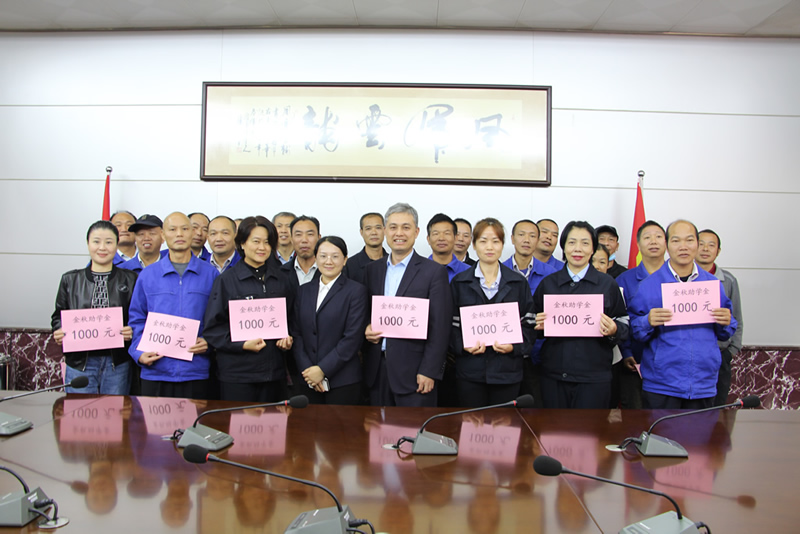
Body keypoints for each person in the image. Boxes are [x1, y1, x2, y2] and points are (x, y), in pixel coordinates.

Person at [629, 220, 737, 410]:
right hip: (662, 384)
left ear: (697, 243)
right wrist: (647, 322)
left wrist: (726, 322)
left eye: (689, 240)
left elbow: (726, 332)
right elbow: (633, 331)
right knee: (660, 431)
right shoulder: (649, 286)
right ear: (667, 245)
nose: (683, 247)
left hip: (703, 383)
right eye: (676, 241)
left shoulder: (712, 285)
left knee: (701, 431)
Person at [363, 203, 453, 407]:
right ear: (385, 231)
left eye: (406, 227)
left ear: (417, 232)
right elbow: (365, 312)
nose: (399, 233)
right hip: (377, 371)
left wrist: (429, 370)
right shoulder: (372, 270)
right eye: (393, 227)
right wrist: (366, 328)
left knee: (414, 427)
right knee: (377, 427)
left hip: (415, 374)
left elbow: (440, 327)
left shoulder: (434, 272)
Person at [533, 221, 629, 409]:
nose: (578, 249)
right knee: (554, 426)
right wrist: (537, 325)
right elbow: (530, 322)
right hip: (554, 375)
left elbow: (624, 321)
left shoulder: (607, 284)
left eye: (585, 243)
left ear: (593, 248)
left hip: (594, 377)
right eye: (572, 242)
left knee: (591, 427)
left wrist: (614, 329)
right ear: (563, 247)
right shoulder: (549, 283)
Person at [203, 216, 295, 402]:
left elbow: (292, 320)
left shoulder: (282, 280)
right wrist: (242, 345)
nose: (262, 247)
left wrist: (288, 338)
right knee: (240, 420)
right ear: (242, 243)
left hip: (274, 374)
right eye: (256, 241)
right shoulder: (226, 281)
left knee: (274, 420)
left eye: (267, 242)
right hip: (238, 375)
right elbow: (213, 329)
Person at [128, 212, 219, 399]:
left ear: (192, 233)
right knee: (155, 420)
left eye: (185, 229)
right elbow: (137, 319)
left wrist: (210, 342)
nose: (179, 234)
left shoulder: (210, 274)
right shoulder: (148, 275)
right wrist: (138, 352)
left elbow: (220, 319)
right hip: (155, 370)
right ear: (163, 235)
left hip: (196, 370)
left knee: (196, 420)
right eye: (172, 229)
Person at [450, 218, 536, 407]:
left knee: (504, 423)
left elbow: (529, 325)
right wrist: (463, 345)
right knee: (471, 421)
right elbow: (450, 326)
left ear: (503, 245)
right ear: (474, 245)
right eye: (483, 241)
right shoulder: (460, 282)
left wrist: (514, 347)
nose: (489, 247)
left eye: (495, 241)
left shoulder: (518, 282)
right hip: (470, 372)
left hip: (507, 372)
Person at [52, 220, 139, 394]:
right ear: (88, 244)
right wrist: (59, 330)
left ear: (116, 245)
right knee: (79, 409)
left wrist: (131, 330)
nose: (102, 247)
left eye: (109, 242)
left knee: (115, 409)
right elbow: (57, 316)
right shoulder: (70, 280)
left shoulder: (131, 279)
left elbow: (139, 317)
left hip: (117, 362)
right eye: (96, 241)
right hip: (80, 362)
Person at [293, 236, 368, 405]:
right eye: (323, 256)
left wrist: (322, 370)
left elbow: (352, 338)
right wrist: (309, 372)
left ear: (345, 260)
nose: (328, 261)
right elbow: (296, 334)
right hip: (307, 380)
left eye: (335, 256)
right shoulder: (303, 291)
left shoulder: (356, 291)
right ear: (315, 258)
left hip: (343, 381)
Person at [501, 219, 556, 407]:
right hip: (506, 353)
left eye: (532, 236)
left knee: (537, 410)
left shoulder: (551, 274)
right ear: (512, 239)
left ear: (538, 240)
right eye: (521, 235)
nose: (527, 240)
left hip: (539, 354)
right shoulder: (498, 271)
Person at [615, 220, 667, 409]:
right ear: (638, 244)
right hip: (635, 361)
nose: (653, 241)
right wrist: (626, 353)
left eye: (658, 237)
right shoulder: (624, 280)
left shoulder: (679, 279)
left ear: (666, 242)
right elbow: (619, 319)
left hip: (670, 364)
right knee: (634, 416)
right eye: (647, 237)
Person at [696, 229, 744, 406]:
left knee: (718, 408)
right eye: (701, 244)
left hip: (720, 354)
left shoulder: (728, 280)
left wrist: (731, 351)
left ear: (718, 251)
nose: (705, 249)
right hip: (692, 354)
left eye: (711, 245)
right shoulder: (682, 279)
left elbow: (736, 317)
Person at [344, 212, 387, 285]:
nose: (374, 232)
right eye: (368, 228)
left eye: (378, 228)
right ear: (361, 232)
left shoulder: (393, 262)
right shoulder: (350, 265)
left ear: (385, 230)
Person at [426, 213, 469, 282]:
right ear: (428, 239)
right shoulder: (417, 271)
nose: (441, 238)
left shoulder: (468, 272)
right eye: (436, 234)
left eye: (447, 233)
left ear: (455, 238)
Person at [281, 215, 320, 287]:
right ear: (291, 239)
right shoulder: (280, 273)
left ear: (319, 238)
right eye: (298, 235)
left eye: (310, 234)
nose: (304, 240)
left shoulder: (331, 272)